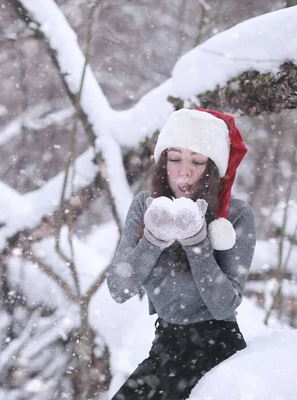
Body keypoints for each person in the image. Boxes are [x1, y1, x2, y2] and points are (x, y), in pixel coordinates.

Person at [107, 108, 256, 400]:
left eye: (197, 161)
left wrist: (196, 242)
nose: (184, 170)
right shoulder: (144, 207)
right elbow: (119, 288)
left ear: (213, 169)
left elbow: (225, 305)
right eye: (175, 158)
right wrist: (152, 240)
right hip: (165, 346)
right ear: (163, 163)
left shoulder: (236, 216)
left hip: (218, 350)